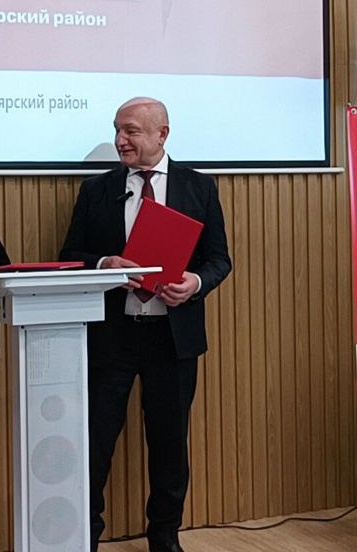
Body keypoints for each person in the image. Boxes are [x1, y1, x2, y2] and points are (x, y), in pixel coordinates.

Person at [60, 97, 231, 552]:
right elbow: (70, 255)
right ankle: (86, 538)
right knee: (95, 443)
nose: (121, 140)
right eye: (117, 130)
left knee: (170, 445)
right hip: (112, 337)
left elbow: (219, 259)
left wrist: (195, 283)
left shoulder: (199, 187)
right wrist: (104, 264)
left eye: (131, 131)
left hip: (172, 340)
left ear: (162, 134)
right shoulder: (96, 190)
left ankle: (164, 538)